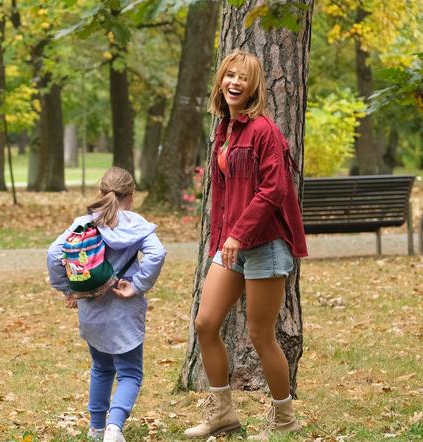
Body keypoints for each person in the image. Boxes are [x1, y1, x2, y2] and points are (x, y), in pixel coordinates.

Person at [184, 50, 308, 439]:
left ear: (254, 87)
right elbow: (223, 195)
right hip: (232, 245)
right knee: (205, 323)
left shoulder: (263, 130)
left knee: (260, 335)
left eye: (243, 78)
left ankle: (285, 420)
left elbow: (274, 189)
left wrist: (238, 234)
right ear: (221, 81)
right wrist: (223, 240)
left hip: (266, 244)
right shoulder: (225, 129)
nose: (235, 82)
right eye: (229, 75)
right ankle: (222, 413)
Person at [47, 167, 167, 442]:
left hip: (91, 306)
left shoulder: (83, 223)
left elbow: (54, 254)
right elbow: (157, 253)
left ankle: (96, 428)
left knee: (101, 367)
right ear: (131, 196)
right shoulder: (137, 225)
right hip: (125, 307)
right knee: (130, 373)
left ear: (100, 193)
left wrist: (67, 288)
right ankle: (114, 427)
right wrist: (137, 284)